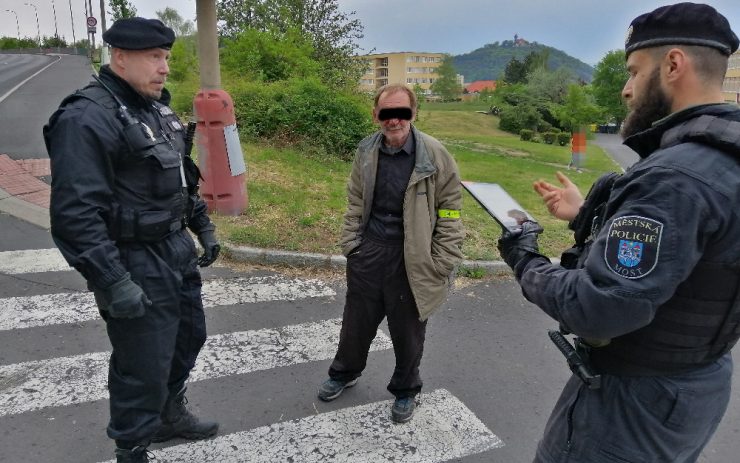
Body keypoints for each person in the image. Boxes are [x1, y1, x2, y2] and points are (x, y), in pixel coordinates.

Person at [497, 3, 740, 462]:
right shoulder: (722, 157)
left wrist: (525, 259)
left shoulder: (675, 177)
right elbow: (695, 255)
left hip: (632, 403)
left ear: (672, 64)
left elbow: (599, 307)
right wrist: (583, 216)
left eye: (633, 71)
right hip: (695, 385)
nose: (626, 90)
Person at [44, 17, 221, 463]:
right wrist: (112, 280)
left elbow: (181, 180)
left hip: (174, 250)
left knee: (188, 339)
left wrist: (202, 225)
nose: (164, 68)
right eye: (155, 58)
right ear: (120, 58)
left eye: (166, 57)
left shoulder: (155, 108)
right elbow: (75, 215)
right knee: (141, 362)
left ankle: (168, 416)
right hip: (134, 260)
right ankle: (132, 447)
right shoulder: (87, 116)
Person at [317, 83, 464, 423]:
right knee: (356, 323)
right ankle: (345, 372)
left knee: (407, 331)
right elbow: (355, 198)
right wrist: (352, 244)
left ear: (414, 114)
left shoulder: (435, 155)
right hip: (369, 252)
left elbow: (451, 211)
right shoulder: (367, 150)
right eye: (387, 113)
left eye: (402, 113)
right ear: (376, 115)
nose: (394, 121)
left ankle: (406, 389)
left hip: (413, 258)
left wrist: (442, 260)